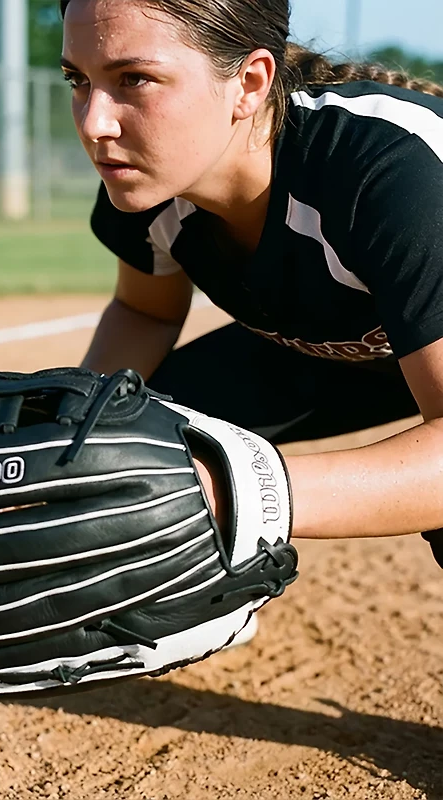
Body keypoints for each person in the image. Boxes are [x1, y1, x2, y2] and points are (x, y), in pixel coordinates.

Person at [61, 0, 443, 567]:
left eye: (135, 78)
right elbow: (147, 312)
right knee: (130, 449)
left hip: (400, 347)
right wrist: (69, 439)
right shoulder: (144, 177)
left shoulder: (390, 172)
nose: (95, 123)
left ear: (249, 82)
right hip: (329, 355)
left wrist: (240, 491)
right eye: (78, 80)